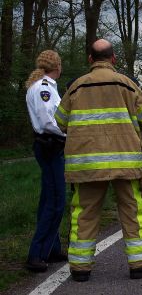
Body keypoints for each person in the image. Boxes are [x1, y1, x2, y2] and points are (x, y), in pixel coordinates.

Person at [54, 39, 142, 282]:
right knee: (134, 212)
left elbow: (60, 122)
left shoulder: (76, 87)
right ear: (113, 59)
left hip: (87, 165)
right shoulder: (127, 84)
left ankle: (80, 269)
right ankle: (141, 265)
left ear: (90, 59)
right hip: (126, 163)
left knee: (84, 213)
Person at [25, 50, 67, 272]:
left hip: (49, 145)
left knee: (49, 199)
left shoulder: (44, 86)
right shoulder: (43, 88)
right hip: (50, 145)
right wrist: (69, 134)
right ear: (57, 66)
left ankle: (51, 248)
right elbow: (48, 121)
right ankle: (37, 254)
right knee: (55, 201)